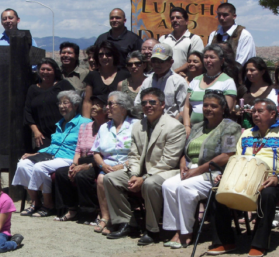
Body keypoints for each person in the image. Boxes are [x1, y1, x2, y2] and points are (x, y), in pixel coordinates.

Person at [207, 98, 279, 257]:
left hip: (273, 180)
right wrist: (226, 175)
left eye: (260, 111)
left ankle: (259, 243)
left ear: (272, 114)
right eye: (254, 111)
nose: (255, 114)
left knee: (267, 194)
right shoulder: (247, 134)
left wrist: (278, 178)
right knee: (216, 193)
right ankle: (224, 241)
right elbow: (237, 159)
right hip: (244, 178)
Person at [103, 87, 186, 245]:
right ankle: (127, 222)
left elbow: (168, 161)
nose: (148, 105)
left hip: (167, 171)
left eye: (152, 102)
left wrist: (143, 177)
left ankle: (152, 230)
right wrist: (134, 174)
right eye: (144, 103)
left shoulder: (174, 127)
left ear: (162, 104)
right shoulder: (138, 126)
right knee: (111, 178)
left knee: (149, 183)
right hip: (141, 171)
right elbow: (133, 154)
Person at [160, 93, 240, 248]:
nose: (208, 109)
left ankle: (186, 231)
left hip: (216, 172)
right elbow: (185, 150)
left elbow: (227, 155)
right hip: (191, 169)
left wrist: (198, 171)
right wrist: (183, 163)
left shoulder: (231, 127)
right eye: (206, 105)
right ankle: (176, 229)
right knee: (168, 185)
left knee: (185, 187)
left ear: (223, 108)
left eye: (213, 106)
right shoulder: (197, 127)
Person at [13, 91, 90, 217]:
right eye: (60, 103)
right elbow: (54, 146)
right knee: (23, 164)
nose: (61, 106)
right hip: (54, 157)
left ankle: (48, 205)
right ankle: (36, 202)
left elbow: (87, 145)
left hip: (69, 158)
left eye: (65, 103)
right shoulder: (60, 124)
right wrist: (34, 154)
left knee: (40, 167)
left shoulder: (85, 123)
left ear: (75, 106)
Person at [88, 92, 138, 234]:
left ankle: (117, 220)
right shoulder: (104, 127)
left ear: (123, 107)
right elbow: (96, 152)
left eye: (110, 104)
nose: (107, 107)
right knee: (101, 177)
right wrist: (102, 165)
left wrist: (122, 166)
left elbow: (140, 151)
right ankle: (106, 217)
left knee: (107, 178)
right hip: (107, 166)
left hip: (129, 165)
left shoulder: (136, 125)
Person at [52, 96, 108, 223]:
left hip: (99, 162)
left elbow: (105, 153)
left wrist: (86, 166)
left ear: (105, 110)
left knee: (82, 175)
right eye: (92, 104)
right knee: (61, 173)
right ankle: (71, 209)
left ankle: (91, 212)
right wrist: (73, 164)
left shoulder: (107, 127)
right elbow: (78, 150)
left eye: (97, 105)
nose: (93, 107)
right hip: (83, 159)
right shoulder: (85, 126)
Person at [184, 44, 238, 129]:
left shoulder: (228, 81)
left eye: (212, 57)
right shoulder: (195, 80)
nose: (208, 60)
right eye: (205, 57)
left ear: (221, 61)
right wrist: (187, 126)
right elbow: (187, 107)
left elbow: (227, 110)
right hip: (192, 129)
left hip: (215, 129)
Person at [25, 58, 75, 150]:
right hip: (43, 136)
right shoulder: (32, 89)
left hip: (62, 132)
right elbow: (28, 112)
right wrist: (36, 132)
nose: (45, 72)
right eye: (42, 69)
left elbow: (75, 103)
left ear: (55, 71)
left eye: (49, 69)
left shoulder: (63, 85)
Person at [135, 43, 188, 120]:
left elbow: (183, 111)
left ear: (171, 62)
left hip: (171, 126)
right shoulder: (147, 81)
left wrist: (173, 126)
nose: (156, 64)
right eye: (154, 61)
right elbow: (138, 105)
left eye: (161, 61)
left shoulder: (179, 82)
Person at [83, 41, 130, 117]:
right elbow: (87, 102)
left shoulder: (124, 74)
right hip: (97, 119)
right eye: (101, 55)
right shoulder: (92, 75)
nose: (104, 57)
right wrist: (86, 122)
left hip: (118, 118)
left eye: (108, 54)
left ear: (114, 55)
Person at [159, 7, 204, 74]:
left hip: (186, 79)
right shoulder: (163, 39)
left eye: (178, 18)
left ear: (186, 21)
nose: (175, 20)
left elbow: (195, 61)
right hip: (164, 79)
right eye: (172, 18)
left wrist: (174, 73)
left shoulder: (194, 39)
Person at [240, 57, 274, 129]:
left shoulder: (272, 90)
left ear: (262, 71)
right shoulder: (243, 89)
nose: (248, 73)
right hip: (244, 129)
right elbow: (233, 109)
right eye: (247, 70)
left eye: (252, 70)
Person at [121, 51, 148, 118]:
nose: (133, 66)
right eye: (130, 64)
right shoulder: (121, 84)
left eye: (137, 64)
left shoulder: (150, 82)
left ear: (144, 65)